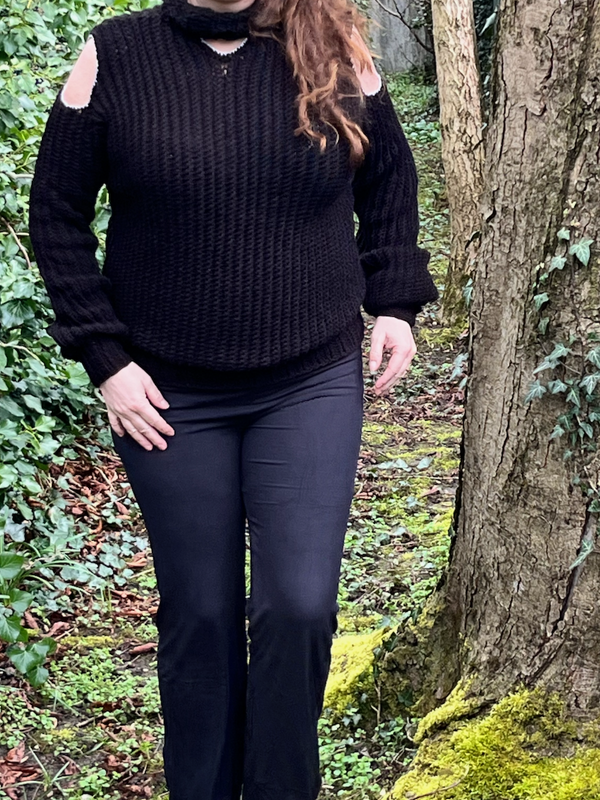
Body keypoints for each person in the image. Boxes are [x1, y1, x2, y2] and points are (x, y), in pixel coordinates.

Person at [28, 0, 439, 797]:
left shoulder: (328, 42)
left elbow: (390, 176)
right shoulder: (114, 55)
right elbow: (56, 213)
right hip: (167, 393)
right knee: (201, 616)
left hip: (310, 378)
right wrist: (105, 358)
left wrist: (394, 300)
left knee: (299, 606)